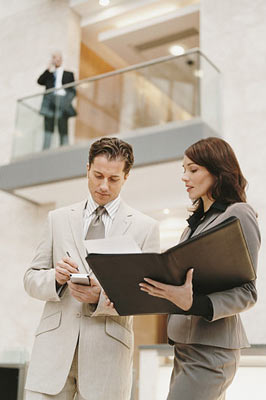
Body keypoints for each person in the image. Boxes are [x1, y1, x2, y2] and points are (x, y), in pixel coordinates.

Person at [24, 137, 160, 400]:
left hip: (107, 358)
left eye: (113, 179)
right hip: (51, 355)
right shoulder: (58, 219)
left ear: (126, 177)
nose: (103, 186)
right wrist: (56, 278)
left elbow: (147, 298)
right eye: (97, 175)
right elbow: (30, 279)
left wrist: (101, 298)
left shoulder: (145, 228)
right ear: (86, 168)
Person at [139, 137, 260, 400]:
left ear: (218, 171)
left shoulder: (238, 213)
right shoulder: (189, 229)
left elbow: (248, 292)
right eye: (184, 170)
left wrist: (194, 303)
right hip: (185, 346)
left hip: (212, 349)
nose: (185, 177)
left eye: (193, 170)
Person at [37, 51, 76, 149]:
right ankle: (45, 151)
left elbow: (73, 91)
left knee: (63, 129)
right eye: (54, 58)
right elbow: (40, 81)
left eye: (58, 58)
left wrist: (66, 103)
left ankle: (64, 149)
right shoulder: (49, 75)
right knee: (48, 129)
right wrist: (48, 67)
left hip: (63, 102)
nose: (57, 60)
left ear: (61, 59)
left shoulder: (69, 74)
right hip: (50, 102)